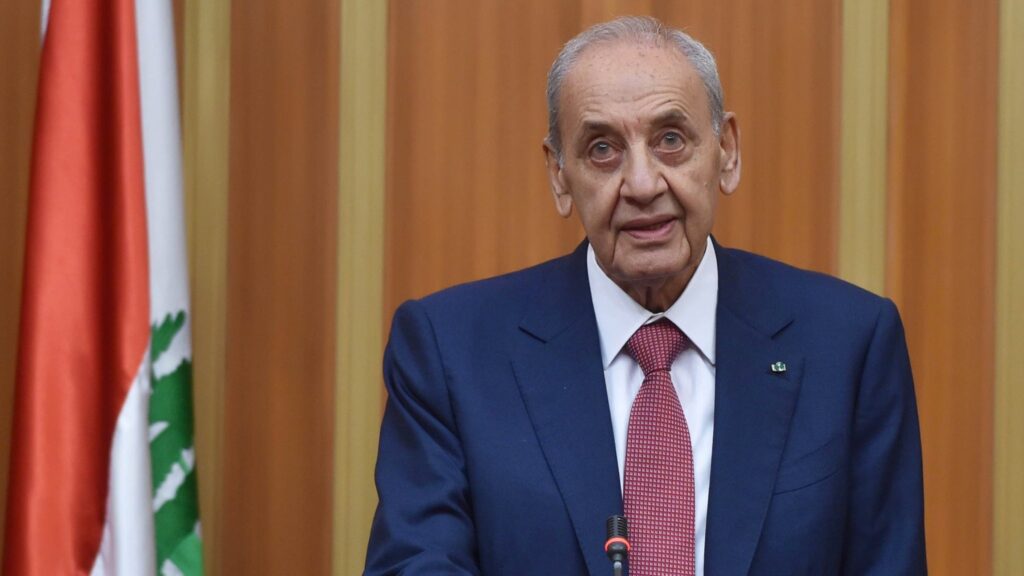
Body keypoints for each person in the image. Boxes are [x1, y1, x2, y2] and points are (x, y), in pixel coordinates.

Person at [365, 15, 926, 575]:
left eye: (671, 140)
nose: (641, 184)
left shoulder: (847, 345)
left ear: (727, 151)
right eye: (602, 149)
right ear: (559, 175)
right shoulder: (451, 352)